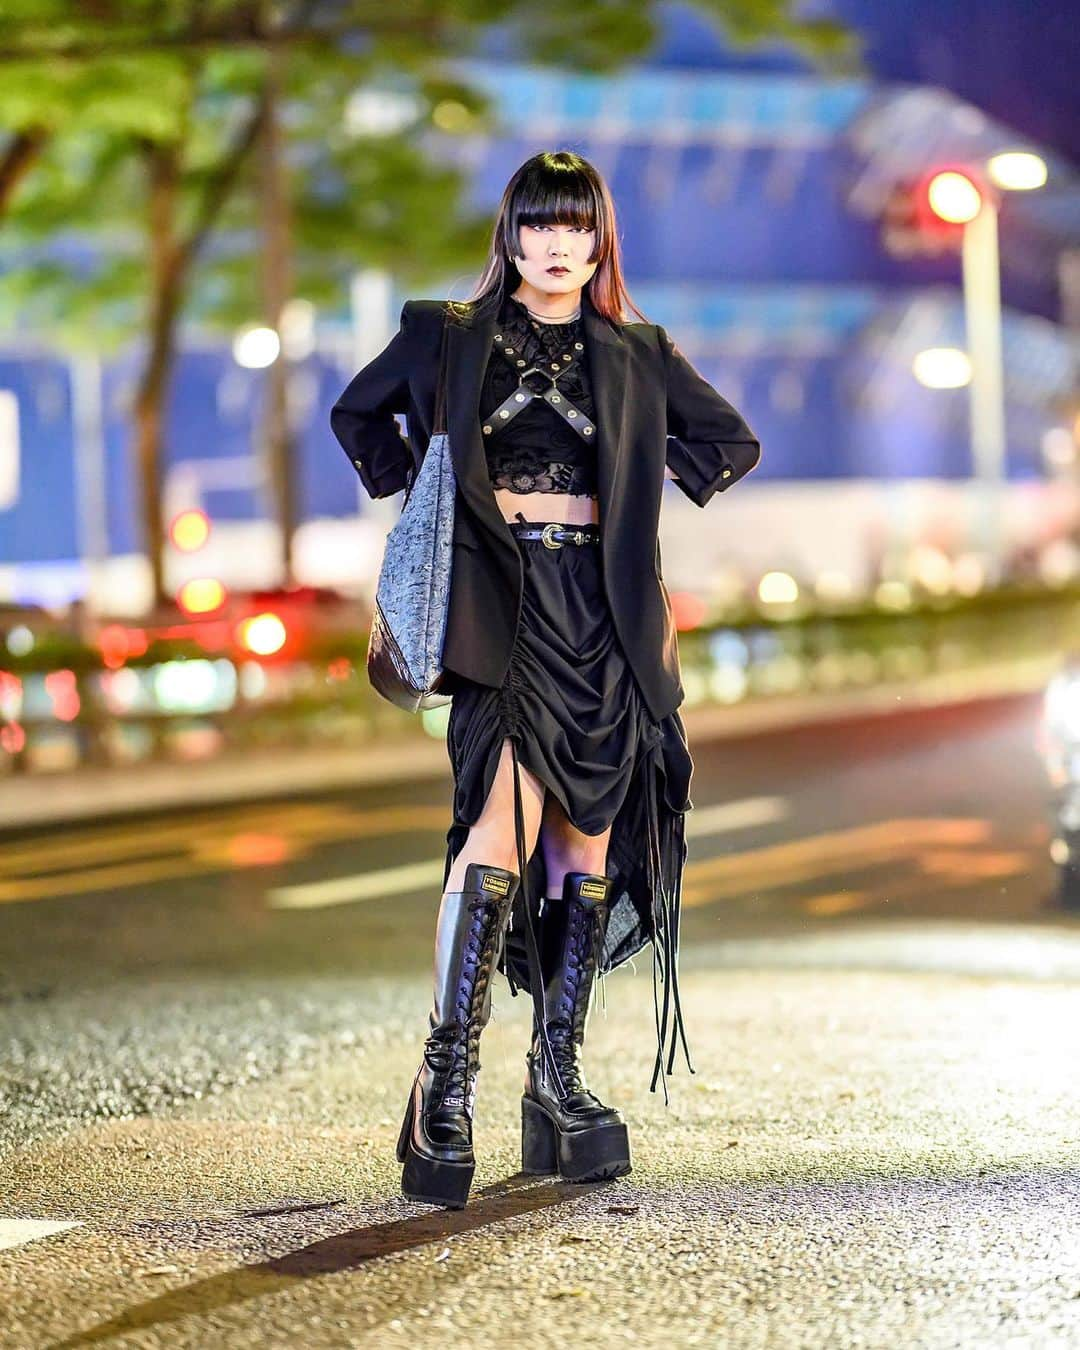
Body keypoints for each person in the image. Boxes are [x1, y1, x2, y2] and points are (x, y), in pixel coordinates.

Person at [330, 150, 761, 1210]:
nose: (557, 246)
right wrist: (423, 491)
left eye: (576, 228)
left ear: (599, 237)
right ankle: (448, 1084)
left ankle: (555, 1078)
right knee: (496, 832)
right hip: (500, 611)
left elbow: (730, 441)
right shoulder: (448, 334)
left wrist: (640, 484)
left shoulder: (637, 351)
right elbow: (357, 414)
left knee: (585, 846)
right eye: (538, 226)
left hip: (605, 624)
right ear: (511, 235)